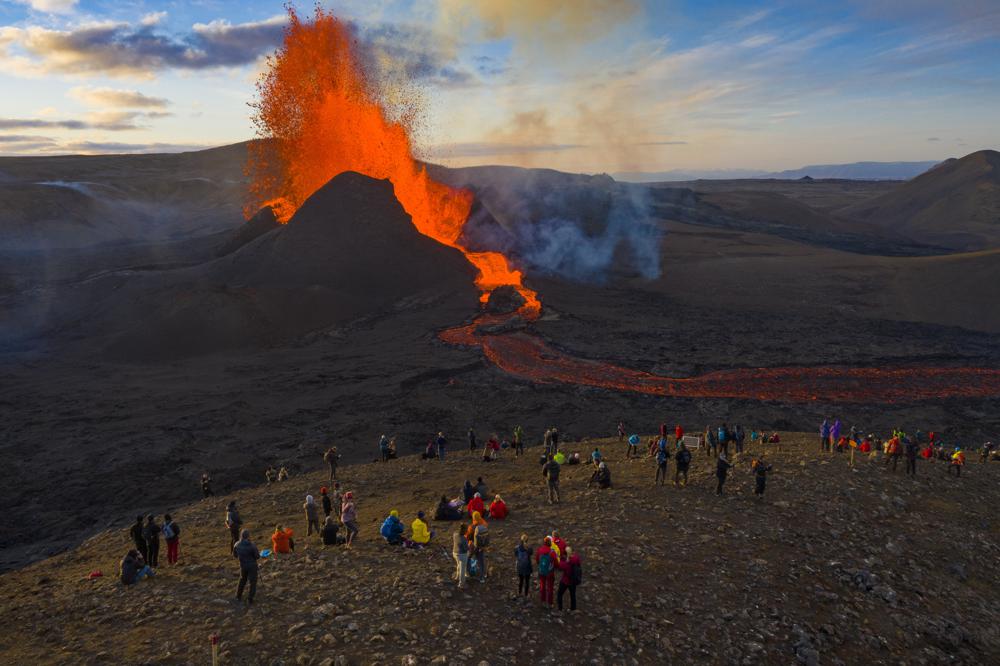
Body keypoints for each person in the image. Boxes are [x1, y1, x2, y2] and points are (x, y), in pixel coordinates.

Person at [233, 530, 260, 605]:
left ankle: (238, 596)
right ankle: (250, 599)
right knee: (253, 582)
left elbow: (235, 555)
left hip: (243, 565)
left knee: (242, 580)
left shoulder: (237, 544)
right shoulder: (252, 545)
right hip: (252, 566)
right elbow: (257, 556)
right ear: (248, 536)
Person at [556, 546, 582, 611]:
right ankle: (573, 608)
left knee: (559, 594)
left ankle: (560, 608)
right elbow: (578, 562)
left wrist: (562, 559)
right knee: (573, 595)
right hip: (573, 581)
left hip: (565, 581)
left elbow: (560, 567)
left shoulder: (566, 563)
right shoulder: (576, 558)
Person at [536, 536, 556, 607]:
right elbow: (556, 563)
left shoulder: (539, 550)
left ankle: (543, 601)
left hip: (542, 571)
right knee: (550, 587)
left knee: (542, 586)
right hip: (550, 572)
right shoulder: (552, 552)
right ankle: (550, 603)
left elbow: (537, 560)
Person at [470, 512, 489, 582]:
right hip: (482, 545)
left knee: (468, 557)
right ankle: (482, 577)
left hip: (474, 545)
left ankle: (468, 573)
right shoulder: (484, 524)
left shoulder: (472, 526)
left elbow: (468, 536)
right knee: (481, 560)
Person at [452, 524, 469, 589]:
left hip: (454, 552)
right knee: (463, 569)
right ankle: (461, 584)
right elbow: (466, 549)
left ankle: (457, 576)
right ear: (464, 530)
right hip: (462, 555)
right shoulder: (464, 539)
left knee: (458, 564)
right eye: (466, 529)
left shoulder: (455, 534)